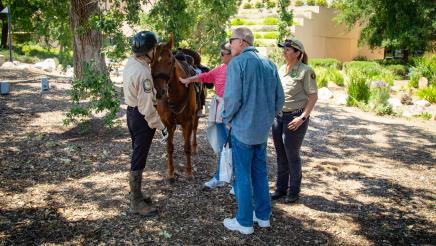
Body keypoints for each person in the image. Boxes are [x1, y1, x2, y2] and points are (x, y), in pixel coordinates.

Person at [221, 27, 285, 235]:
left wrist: (226, 118)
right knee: (260, 172)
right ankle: (263, 216)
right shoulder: (269, 64)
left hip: (242, 129)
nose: (229, 45)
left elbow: (232, 99)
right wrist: (267, 119)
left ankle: (245, 221)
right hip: (261, 130)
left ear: (241, 42)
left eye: (231, 40)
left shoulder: (237, 63)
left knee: (242, 175)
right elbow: (280, 99)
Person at [123, 31, 166, 217]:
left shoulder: (132, 62)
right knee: (139, 157)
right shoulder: (143, 74)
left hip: (131, 113)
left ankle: (137, 194)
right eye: (155, 48)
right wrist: (161, 126)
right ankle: (135, 202)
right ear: (149, 51)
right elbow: (148, 109)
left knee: (137, 153)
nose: (156, 51)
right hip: (142, 118)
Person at [179, 42, 233, 190]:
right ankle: (220, 176)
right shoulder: (221, 68)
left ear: (232, 54)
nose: (220, 56)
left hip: (235, 114)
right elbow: (206, 76)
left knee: (236, 148)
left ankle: (237, 182)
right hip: (220, 112)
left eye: (223, 54)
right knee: (223, 146)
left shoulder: (239, 70)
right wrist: (188, 80)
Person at [270, 38, 318, 204]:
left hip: (295, 117)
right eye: (284, 49)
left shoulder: (306, 70)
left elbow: (313, 97)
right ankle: (280, 189)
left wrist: (302, 118)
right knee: (280, 155)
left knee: (292, 154)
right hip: (279, 117)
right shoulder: (282, 68)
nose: (285, 51)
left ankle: (294, 191)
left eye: (288, 49)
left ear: (298, 53)